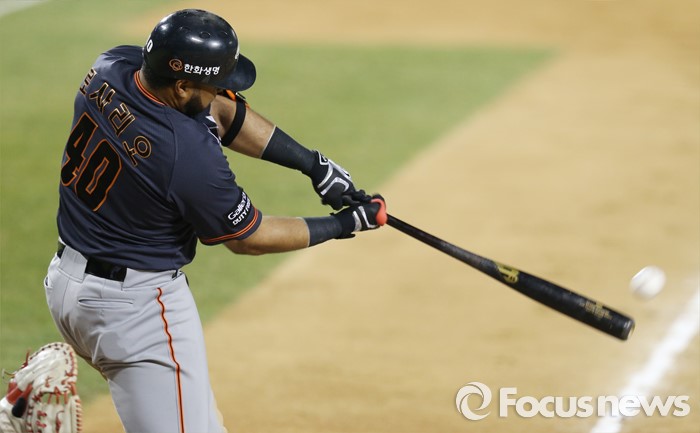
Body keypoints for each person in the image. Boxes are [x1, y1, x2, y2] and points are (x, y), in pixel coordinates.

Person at [40, 9, 386, 433]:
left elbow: (219, 110)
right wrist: (345, 224)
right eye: (215, 82)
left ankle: (19, 411)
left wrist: (312, 165)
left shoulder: (113, 66)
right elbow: (249, 237)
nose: (224, 89)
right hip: (135, 311)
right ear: (182, 85)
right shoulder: (185, 154)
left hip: (66, 287)